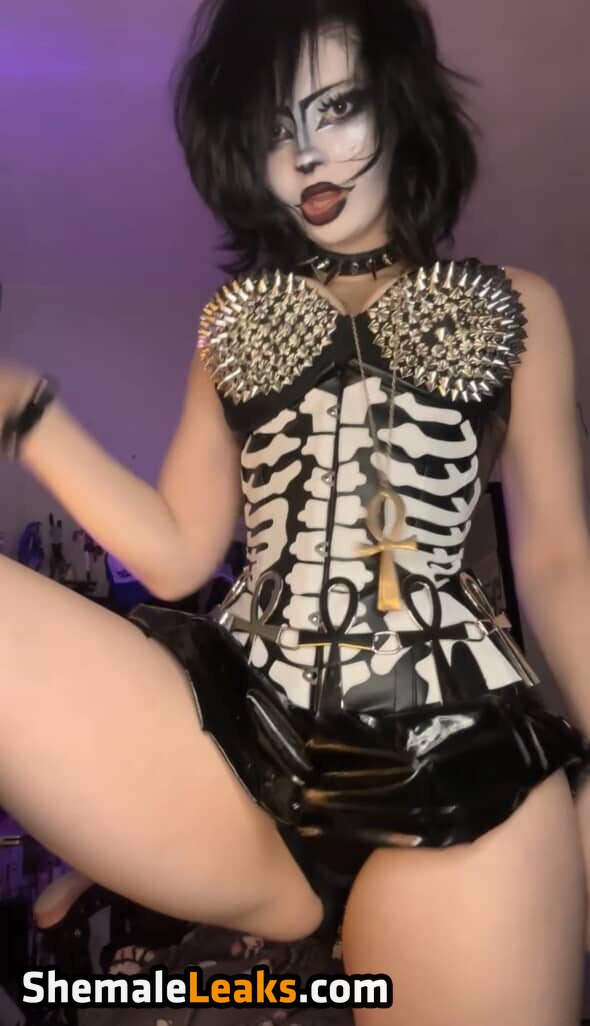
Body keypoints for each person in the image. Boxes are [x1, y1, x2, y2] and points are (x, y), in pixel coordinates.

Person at [1, 1, 590, 1022]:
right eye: (275, 128)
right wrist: (29, 416)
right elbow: (177, 555)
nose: (306, 153)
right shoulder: (231, 326)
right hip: (240, 732)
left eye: (338, 108)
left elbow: (556, 563)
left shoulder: (518, 302)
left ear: (399, 107)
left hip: (459, 759)